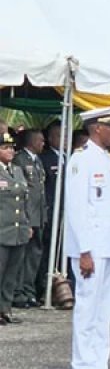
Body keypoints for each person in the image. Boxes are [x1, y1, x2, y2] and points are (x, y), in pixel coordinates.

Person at [64, 106, 110, 369]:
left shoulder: (106, 159)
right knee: (87, 307)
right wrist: (85, 251)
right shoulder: (81, 160)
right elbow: (77, 209)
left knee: (104, 309)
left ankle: (99, 365)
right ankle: (82, 368)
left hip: (109, 244)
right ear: (96, 128)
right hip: (90, 247)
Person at [12, 129, 47, 309]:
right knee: (22, 257)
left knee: (34, 256)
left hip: (38, 216)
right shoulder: (20, 160)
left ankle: (28, 290)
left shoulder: (37, 161)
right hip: (26, 217)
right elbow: (21, 192)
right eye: (40, 140)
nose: (43, 143)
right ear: (32, 141)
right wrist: (25, 218)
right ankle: (18, 293)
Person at [0, 131, 31, 326]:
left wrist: (27, 224)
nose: (10, 151)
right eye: (5, 147)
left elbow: (25, 200)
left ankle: (5, 309)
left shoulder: (18, 170)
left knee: (12, 273)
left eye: (11, 147)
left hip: (17, 229)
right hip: (2, 230)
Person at [38, 121, 63, 298]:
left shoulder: (69, 157)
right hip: (51, 211)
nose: (65, 139)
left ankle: (62, 286)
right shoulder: (45, 158)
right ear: (51, 138)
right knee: (47, 253)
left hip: (66, 212)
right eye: (61, 135)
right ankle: (44, 288)